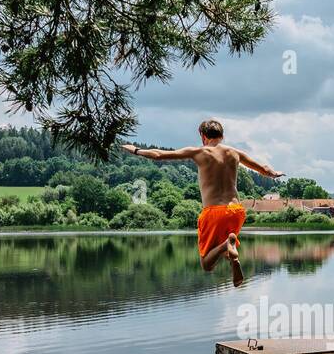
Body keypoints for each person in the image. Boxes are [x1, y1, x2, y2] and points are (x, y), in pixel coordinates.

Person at [120, 118, 284, 287]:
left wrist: (135, 150)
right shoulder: (235, 153)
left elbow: (158, 155)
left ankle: (226, 247)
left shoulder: (199, 152)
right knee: (227, 246)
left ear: (202, 135)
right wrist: (274, 173)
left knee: (207, 264)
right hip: (236, 211)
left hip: (213, 211)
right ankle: (230, 252)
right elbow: (264, 170)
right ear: (222, 135)